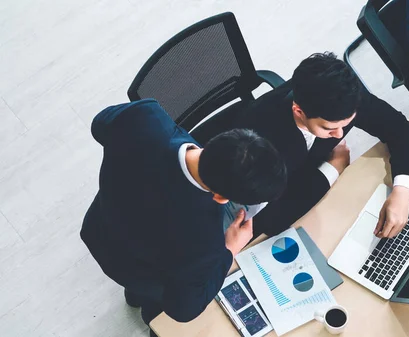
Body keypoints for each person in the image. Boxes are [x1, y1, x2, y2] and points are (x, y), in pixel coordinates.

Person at [80, 99, 287, 335]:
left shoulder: (146, 116)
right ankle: (142, 304)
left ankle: (133, 295)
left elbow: (100, 124)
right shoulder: (204, 241)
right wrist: (230, 249)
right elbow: (183, 309)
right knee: (148, 293)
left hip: (101, 226)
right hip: (144, 273)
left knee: (135, 279)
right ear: (220, 197)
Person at [193, 52, 409, 240]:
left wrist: (402, 191)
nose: (339, 135)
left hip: (298, 175)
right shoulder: (262, 147)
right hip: (232, 200)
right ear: (299, 111)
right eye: (329, 129)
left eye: (347, 124)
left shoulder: (344, 100)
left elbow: (399, 128)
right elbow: (271, 219)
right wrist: (333, 169)